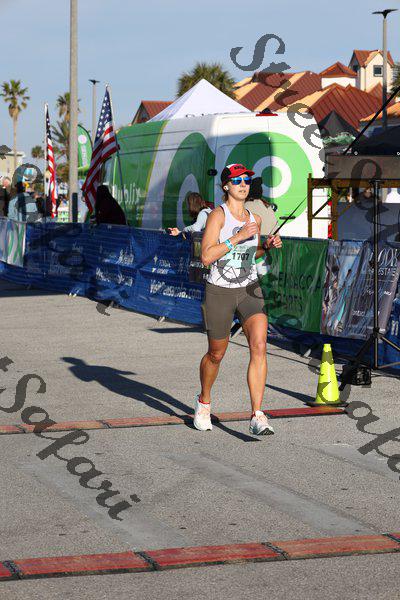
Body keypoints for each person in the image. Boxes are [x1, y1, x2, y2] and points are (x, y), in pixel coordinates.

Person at [196, 163, 282, 435]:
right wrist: (238, 237)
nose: (243, 184)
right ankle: (204, 402)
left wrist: (265, 246)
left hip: (249, 289)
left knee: (259, 345)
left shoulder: (254, 218)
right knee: (216, 354)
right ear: (226, 186)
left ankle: (257, 415)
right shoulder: (217, 216)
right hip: (220, 290)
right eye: (237, 181)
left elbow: (251, 254)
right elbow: (206, 256)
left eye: (246, 180)